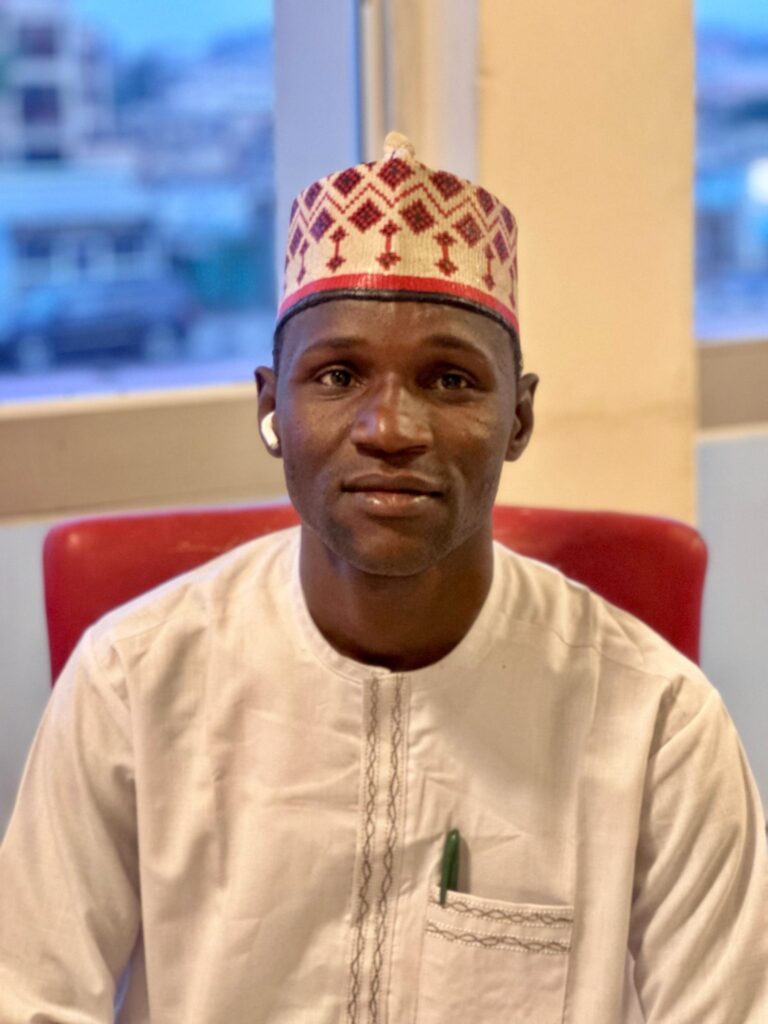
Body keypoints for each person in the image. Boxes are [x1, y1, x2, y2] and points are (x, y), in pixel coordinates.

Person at [1, 133, 766, 1023]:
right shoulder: (133, 682)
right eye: (338, 375)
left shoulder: (655, 722)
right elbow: (31, 997)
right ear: (271, 406)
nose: (391, 428)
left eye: (450, 379)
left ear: (518, 418)